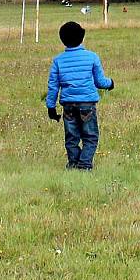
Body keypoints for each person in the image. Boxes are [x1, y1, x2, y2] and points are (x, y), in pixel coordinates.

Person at [46, 21, 114, 170]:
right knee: (90, 136)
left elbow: (53, 86)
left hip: (68, 104)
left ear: (62, 39)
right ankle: (84, 164)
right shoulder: (92, 57)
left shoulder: (58, 61)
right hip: (87, 104)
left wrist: (51, 107)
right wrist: (111, 83)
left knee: (71, 137)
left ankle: (73, 163)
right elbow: (100, 82)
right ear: (82, 37)